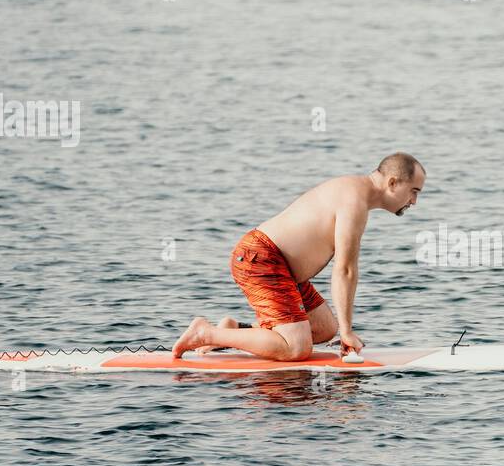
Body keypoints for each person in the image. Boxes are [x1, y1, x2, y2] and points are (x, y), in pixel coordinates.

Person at [171, 152, 425, 361]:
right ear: (392, 182)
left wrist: (341, 330)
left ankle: (234, 332)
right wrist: (348, 332)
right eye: (414, 191)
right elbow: (345, 270)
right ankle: (204, 334)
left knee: (325, 329)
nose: (414, 201)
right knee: (297, 348)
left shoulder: (355, 191)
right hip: (261, 258)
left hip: (284, 270)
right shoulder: (354, 201)